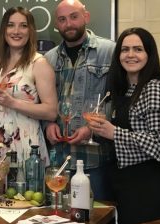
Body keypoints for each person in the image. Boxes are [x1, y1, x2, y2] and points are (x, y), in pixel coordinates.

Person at [88, 27, 160, 224]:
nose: (130, 55)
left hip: (146, 186)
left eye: (138, 49)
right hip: (123, 183)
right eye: (125, 49)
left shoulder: (154, 88)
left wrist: (114, 132)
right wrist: (100, 130)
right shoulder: (125, 90)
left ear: (149, 55)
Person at [44, 0, 115, 200]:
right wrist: (47, 124)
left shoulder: (110, 51)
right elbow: (42, 101)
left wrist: (92, 127)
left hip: (96, 161)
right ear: (56, 25)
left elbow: (118, 100)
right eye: (62, 20)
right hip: (59, 160)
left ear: (86, 17)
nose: (69, 24)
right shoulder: (48, 59)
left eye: (74, 17)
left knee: (98, 222)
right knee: (58, 222)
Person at [0, 6, 57, 164]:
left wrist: (13, 102)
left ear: (30, 31)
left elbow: (51, 112)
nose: (16, 31)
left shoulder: (39, 63)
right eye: (11, 25)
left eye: (23, 26)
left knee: (26, 188)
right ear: (4, 30)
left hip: (26, 142)